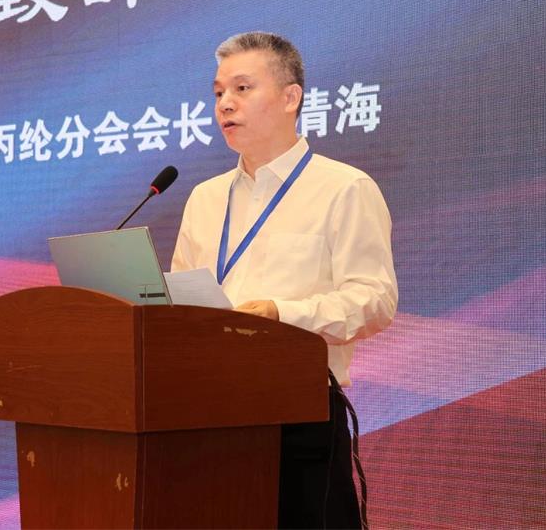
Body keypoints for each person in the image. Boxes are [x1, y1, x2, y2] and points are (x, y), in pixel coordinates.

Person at [171, 32, 398, 529]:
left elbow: (375, 300)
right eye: (218, 92)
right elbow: (180, 303)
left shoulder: (344, 188)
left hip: (299, 418)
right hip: (207, 416)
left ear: (291, 97)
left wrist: (282, 314)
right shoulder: (205, 199)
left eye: (242, 88)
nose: (224, 104)